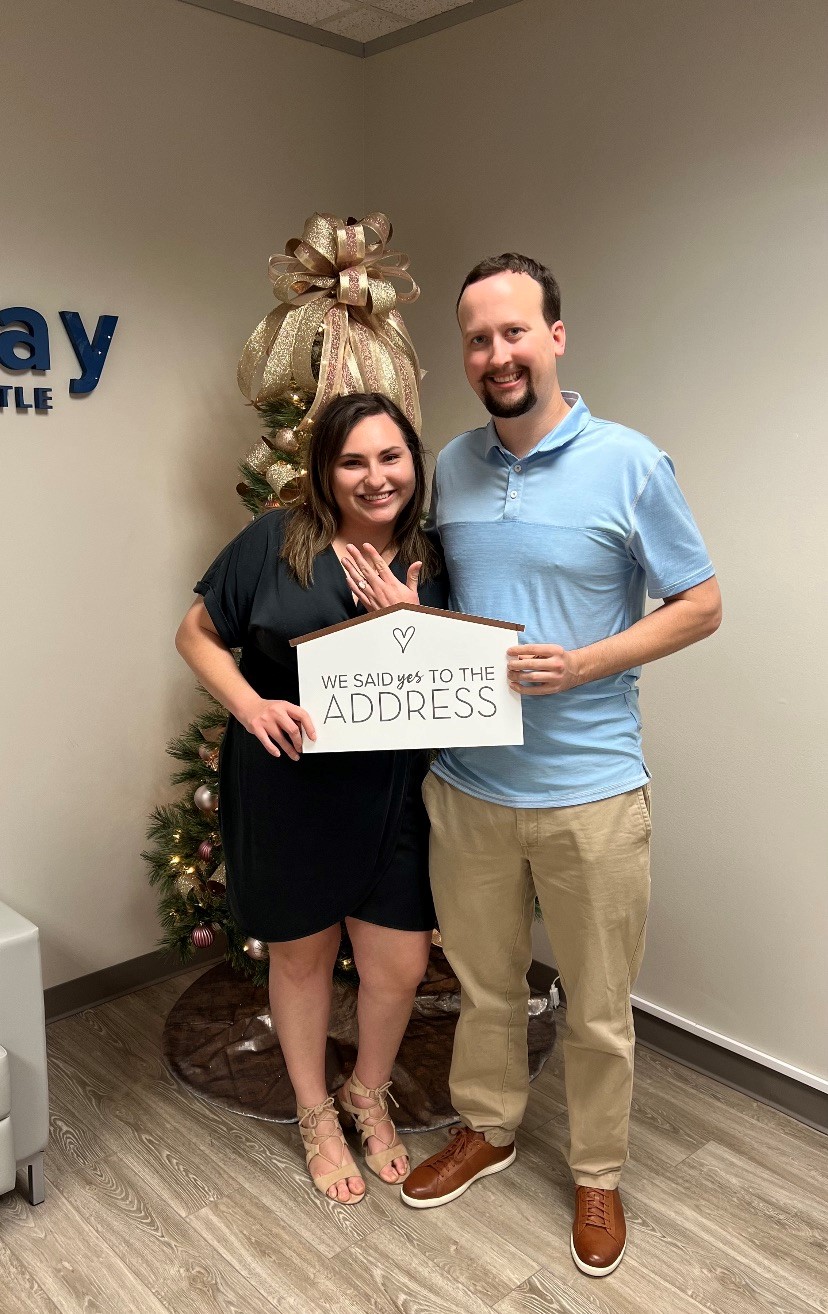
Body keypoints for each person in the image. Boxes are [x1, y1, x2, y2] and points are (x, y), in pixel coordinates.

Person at [385, 253, 721, 1275]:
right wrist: (410, 619)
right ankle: (487, 1130)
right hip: (469, 791)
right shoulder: (450, 464)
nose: (497, 354)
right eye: (478, 339)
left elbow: (701, 604)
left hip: (594, 796)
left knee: (598, 1009)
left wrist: (584, 663)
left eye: (515, 332)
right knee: (487, 990)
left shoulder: (631, 463)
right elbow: (460, 614)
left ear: (556, 337)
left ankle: (598, 1176)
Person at [175, 391, 446, 1207]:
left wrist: (414, 618)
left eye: (390, 457)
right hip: (288, 784)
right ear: (325, 471)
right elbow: (196, 633)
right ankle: (315, 1112)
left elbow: (456, 676)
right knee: (302, 959)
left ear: (413, 463)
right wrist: (249, 705)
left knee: (399, 964)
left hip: (392, 793)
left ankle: (367, 1092)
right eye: (352, 461)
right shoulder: (276, 541)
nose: (375, 478)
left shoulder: (433, 555)